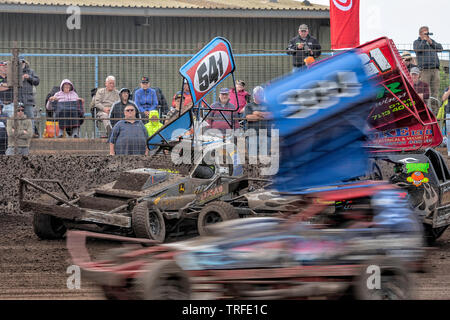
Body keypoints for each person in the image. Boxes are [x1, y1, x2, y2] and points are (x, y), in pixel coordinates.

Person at [413, 26, 443, 112]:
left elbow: (440, 48)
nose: (426, 35)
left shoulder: (431, 41)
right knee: (425, 92)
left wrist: (430, 42)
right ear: (420, 34)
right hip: (425, 70)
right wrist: (424, 40)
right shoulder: (417, 42)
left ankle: (434, 112)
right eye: (424, 33)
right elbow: (418, 49)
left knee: (435, 92)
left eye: (427, 33)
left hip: (435, 70)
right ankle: (425, 111)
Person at [244, 86, 273, 156]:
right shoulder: (249, 106)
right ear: (254, 95)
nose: (261, 95)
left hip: (266, 135)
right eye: (259, 93)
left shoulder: (268, 105)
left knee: (264, 158)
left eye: (262, 93)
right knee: (252, 158)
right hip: (252, 135)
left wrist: (258, 113)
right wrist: (264, 115)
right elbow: (249, 118)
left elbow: (271, 116)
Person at [18, 57, 40, 138]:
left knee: (30, 116)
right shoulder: (14, 72)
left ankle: (32, 133)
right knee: (18, 118)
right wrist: (19, 79)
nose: (21, 64)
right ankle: (20, 134)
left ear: (25, 63)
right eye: (19, 62)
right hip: (18, 99)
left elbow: (37, 81)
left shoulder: (31, 71)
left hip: (28, 99)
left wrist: (29, 77)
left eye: (22, 62)